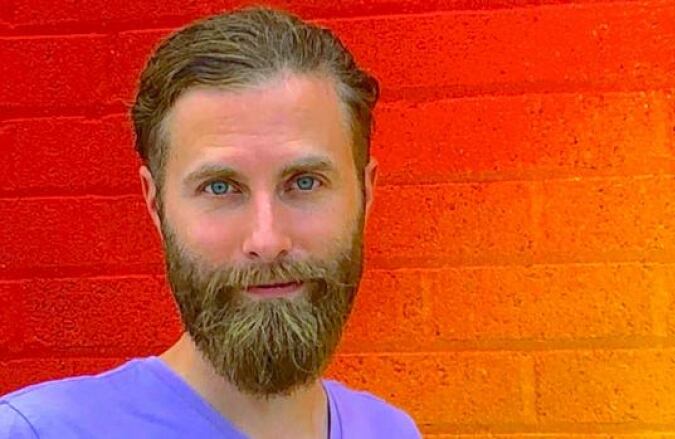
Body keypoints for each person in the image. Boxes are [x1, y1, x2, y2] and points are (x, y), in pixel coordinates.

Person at [0, 6, 421, 438]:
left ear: (366, 193)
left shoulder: (390, 429)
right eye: (220, 187)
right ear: (155, 203)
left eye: (305, 182)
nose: (267, 239)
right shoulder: (39, 431)